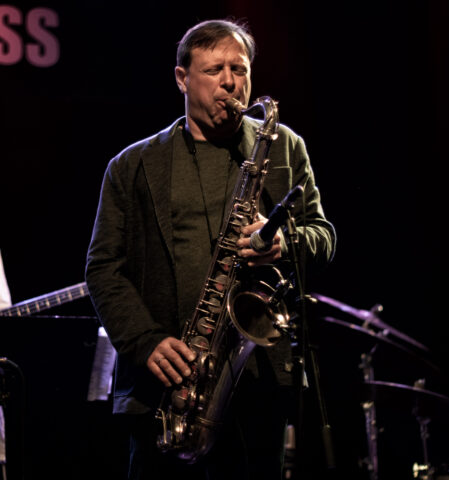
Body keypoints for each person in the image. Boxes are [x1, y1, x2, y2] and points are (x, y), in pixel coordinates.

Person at [85, 18, 336, 480]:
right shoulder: (132, 165)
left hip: (258, 383)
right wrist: (144, 341)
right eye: (214, 70)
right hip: (165, 390)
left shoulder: (283, 147)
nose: (230, 83)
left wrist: (285, 243)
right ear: (182, 78)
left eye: (239, 69)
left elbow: (323, 236)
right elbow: (103, 268)